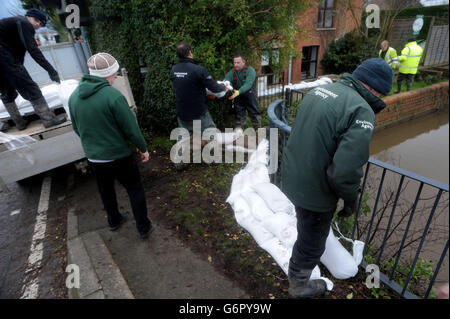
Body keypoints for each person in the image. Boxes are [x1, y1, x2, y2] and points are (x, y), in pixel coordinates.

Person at [281, 58, 393, 298]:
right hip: (315, 189)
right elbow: (342, 171)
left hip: (294, 175)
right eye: (381, 93)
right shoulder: (361, 110)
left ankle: (298, 272)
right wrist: (350, 199)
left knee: (307, 229)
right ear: (374, 88)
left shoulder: (320, 90)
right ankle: (299, 285)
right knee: (312, 239)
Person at [69, 52, 153, 239]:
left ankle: (114, 220)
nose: (116, 76)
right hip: (118, 155)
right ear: (106, 74)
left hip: (94, 157)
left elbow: (77, 128)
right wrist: (142, 147)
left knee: (105, 189)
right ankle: (143, 227)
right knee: (134, 188)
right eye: (114, 73)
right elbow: (130, 128)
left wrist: (93, 144)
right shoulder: (113, 96)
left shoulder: (74, 97)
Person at [0, 9, 66, 132]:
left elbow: (19, 55)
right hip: (3, 56)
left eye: (41, 24)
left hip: (3, 58)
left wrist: (19, 70)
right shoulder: (24, 23)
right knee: (32, 88)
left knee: (7, 92)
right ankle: (48, 119)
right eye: (36, 21)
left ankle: (20, 123)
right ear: (29, 17)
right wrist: (51, 70)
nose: (37, 25)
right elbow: (33, 50)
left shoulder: (15, 25)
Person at [170, 41, 226, 135]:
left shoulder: (174, 70)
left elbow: (185, 86)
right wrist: (224, 87)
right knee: (211, 136)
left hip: (182, 112)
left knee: (184, 140)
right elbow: (214, 87)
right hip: (198, 112)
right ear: (190, 53)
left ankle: (184, 149)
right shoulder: (198, 69)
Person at [224, 54, 261, 129]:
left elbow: (248, 84)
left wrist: (239, 91)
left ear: (243, 62)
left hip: (250, 96)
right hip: (238, 97)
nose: (236, 65)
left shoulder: (250, 70)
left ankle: (259, 134)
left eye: (238, 63)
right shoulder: (232, 72)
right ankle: (239, 135)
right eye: (234, 63)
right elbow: (226, 79)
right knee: (239, 117)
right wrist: (224, 85)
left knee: (255, 116)